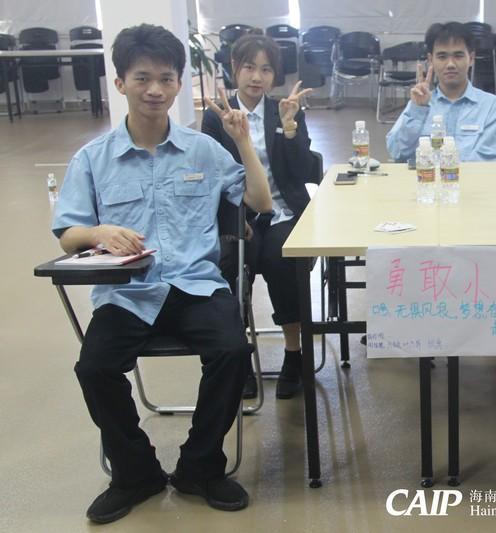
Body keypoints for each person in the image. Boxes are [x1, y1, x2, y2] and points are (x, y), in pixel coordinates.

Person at [52, 24, 272, 524]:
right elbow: (68, 234)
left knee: (232, 351)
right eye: (142, 78)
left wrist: (242, 141)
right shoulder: (93, 159)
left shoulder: (203, 150)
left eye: (166, 78)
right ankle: (135, 473)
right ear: (120, 82)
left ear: (178, 84)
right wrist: (99, 231)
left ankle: (200, 466)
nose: (155, 89)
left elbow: (259, 203)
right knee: (94, 368)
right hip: (127, 292)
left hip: (195, 285)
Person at [202, 34, 314, 400]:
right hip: (240, 214)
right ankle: (239, 358)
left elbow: (302, 172)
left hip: (283, 211)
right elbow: (212, 177)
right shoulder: (217, 115)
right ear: (234, 68)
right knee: (233, 263)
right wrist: (235, 219)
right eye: (249, 67)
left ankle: (294, 355)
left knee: (282, 259)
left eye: (266, 69)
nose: (256, 77)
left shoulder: (284, 109)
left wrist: (291, 127)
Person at [386, 21, 496, 163]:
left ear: (471, 59)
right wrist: (417, 110)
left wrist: (445, 171)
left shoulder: (491, 106)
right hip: (425, 177)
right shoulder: (419, 104)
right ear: (431, 60)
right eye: (442, 57)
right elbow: (396, 152)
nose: (450, 64)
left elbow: (485, 161)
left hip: (467, 178)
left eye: (458, 56)